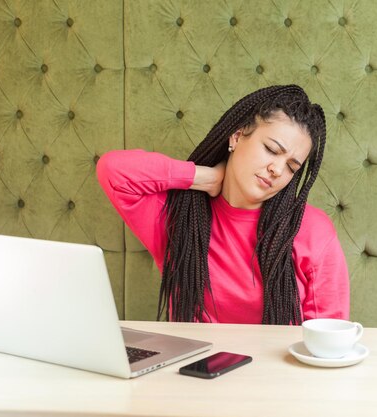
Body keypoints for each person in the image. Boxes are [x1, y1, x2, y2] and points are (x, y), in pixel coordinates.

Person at [97, 85, 349, 325]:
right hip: (196, 367)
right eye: (271, 150)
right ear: (237, 136)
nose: (277, 169)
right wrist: (205, 177)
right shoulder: (179, 217)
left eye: (292, 167)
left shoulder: (311, 229)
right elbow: (113, 170)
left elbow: (327, 334)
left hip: (276, 368)